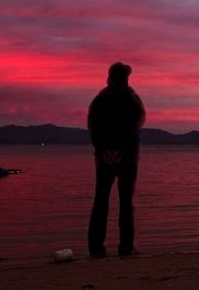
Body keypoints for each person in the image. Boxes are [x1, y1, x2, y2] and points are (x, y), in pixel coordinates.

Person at [87, 62, 145, 257]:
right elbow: (134, 128)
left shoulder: (103, 100)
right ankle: (121, 247)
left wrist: (107, 150)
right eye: (124, 77)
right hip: (121, 157)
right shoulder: (127, 99)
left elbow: (95, 129)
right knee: (118, 201)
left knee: (106, 201)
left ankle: (103, 248)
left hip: (115, 157)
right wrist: (111, 151)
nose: (125, 81)